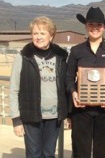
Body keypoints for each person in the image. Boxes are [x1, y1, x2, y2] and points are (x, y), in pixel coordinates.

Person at [66, 7, 105, 157]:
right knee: (81, 151)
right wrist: (73, 92)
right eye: (91, 25)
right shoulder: (76, 51)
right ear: (86, 26)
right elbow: (68, 77)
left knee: (103, 151)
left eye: (98, 25)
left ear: (104, 27)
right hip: (81, 109)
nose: (95, 28)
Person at [9, 16, 69, 157]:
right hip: (31, 115)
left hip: (54, 116)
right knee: (34, 153)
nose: (38, 37)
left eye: (42, 33)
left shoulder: (61, 58)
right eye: (35, 33)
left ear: (51, 36)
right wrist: (16, 120)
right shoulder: (23, 57)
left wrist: (67, 114)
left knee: (49, 153)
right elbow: (13, 89)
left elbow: (66, 86)